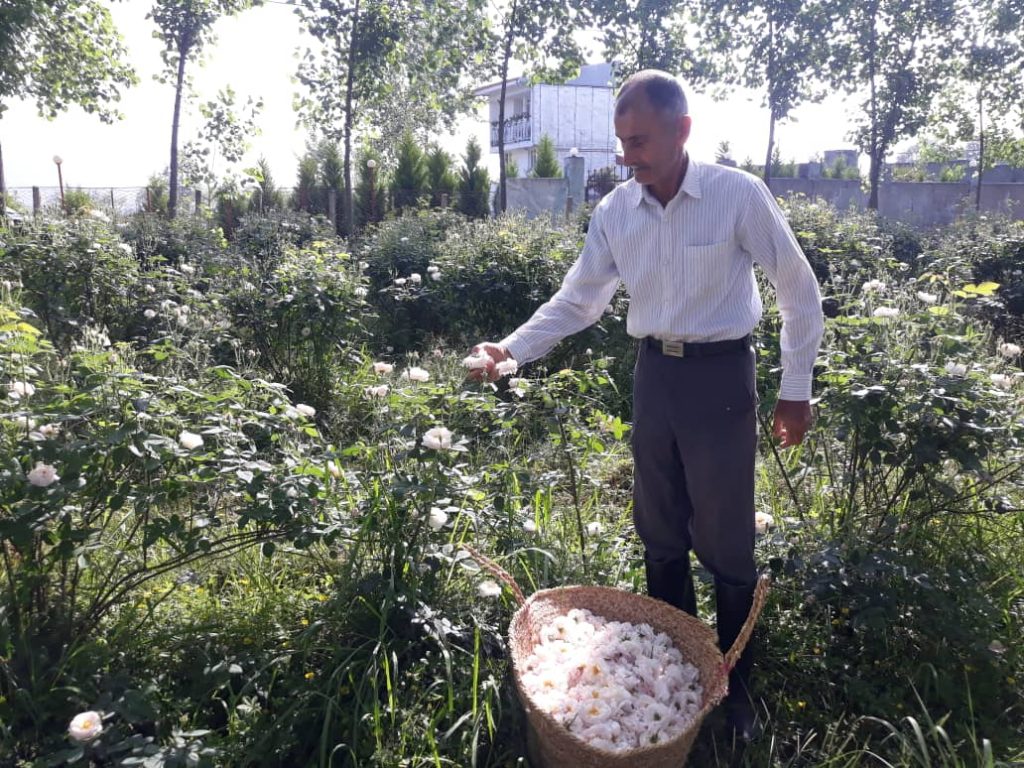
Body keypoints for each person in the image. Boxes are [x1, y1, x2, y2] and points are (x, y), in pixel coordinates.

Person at [469, 70, 824, 740]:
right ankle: (680, 673)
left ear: (682, 129)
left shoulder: (735, 195)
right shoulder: (615, 213)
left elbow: (797, 290)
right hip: (655, 377)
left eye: (640, 140)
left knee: (726, 539)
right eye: (621, 140)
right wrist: (508, 350)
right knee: (658, 528)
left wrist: (795, 389)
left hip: (722, 379)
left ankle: (736, 690)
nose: (628, 154)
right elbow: (580, 300)